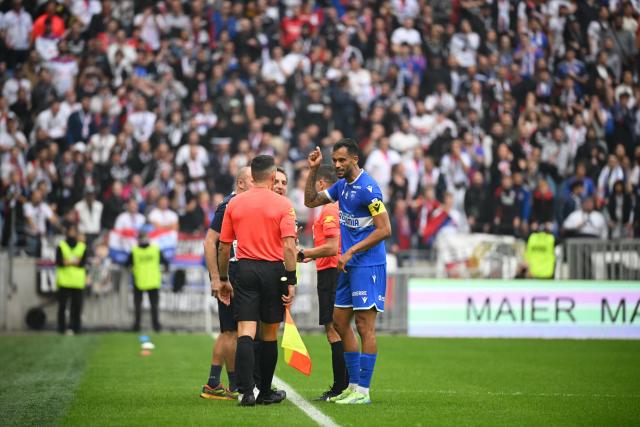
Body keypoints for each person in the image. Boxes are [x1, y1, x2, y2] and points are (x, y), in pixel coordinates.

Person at [304, 139, 392, 405]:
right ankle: (352, 386)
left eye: (342, 160)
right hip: (348, 265)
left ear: (355, 158)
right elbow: (310, 201)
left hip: (367, 265)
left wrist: (352, 251)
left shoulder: (369, 189)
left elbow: (385, 229)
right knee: (339, 322)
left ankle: (363, 391)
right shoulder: (341, 187)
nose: (338, 165)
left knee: (365, 326)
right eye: (335, 160)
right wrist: (314, 170)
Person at [217, 155, 298, 406]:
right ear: (273, 177)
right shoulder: (284, 205)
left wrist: (223, 278)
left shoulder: (235, 203)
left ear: (253, 174)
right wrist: (291, 279)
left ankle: (246, 393)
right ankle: (265, 391)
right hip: (274, 270)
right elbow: (289, 246)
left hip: (245, 269)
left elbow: (223, 246)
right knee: (270, 332)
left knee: (246, 331)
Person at [200, 166, 253, 401]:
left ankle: (220, 383)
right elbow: (210, 241)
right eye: (254, 180)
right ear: (241, 183)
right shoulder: (228, 205)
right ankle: (227, 384)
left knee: (231, 330)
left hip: (236, 271)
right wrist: (216, 277)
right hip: (229, 272)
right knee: (231, 331)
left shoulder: (243, 204)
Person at [296, 165, 347, 401]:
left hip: (331, 273)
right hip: (331, 270)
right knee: (340, 329)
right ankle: (346, 385)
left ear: (321, 185)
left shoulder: (328, 210)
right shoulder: (336, 208)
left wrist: (305, 253)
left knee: (333, 330)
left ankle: (340, 387)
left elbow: (331, 247)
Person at [127, 227, 168, 332]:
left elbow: (127, 263)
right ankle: (156, 327)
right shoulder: (155, 249)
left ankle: (137, 327)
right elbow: (166, 262)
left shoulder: (135, 251)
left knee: (138, 307)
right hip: (153, 281)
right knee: (154, 307)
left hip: (139, 281)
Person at [56, 225, 87, 335]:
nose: (72, 233)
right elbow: (59, 262)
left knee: (77, 307)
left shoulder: (82, 246)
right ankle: (61, 328)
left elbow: (82, 263)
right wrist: (74, 262)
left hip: (77, 282)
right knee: (63, 306)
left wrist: (67, 262)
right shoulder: (61, 246)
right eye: (71, 231)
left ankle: (76, 328)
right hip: (64, 281)